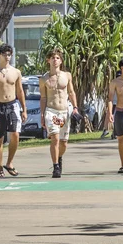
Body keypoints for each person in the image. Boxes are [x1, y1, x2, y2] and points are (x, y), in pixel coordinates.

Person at [0, 43, 26, 177]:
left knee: (15, 134)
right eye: (5, 54)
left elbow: (20, 91)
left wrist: (24, 109)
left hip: (13, 105)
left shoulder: (16, 72)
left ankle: (9, 163)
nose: (7, 57)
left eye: (9, 54)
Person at [40, 49, 78, 178]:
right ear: (48, 60)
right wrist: (42, 114)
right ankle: (56, 166)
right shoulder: (44, 79)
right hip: (51, 111)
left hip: (64, 111)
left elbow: (71, 92)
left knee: (63, 143)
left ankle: (59, 157)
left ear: (61, 61)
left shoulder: (67, 75)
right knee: (55, 138)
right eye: (52, 58)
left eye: (57, 58)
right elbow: (43, 98)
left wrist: (75, 107)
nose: (55, 60)